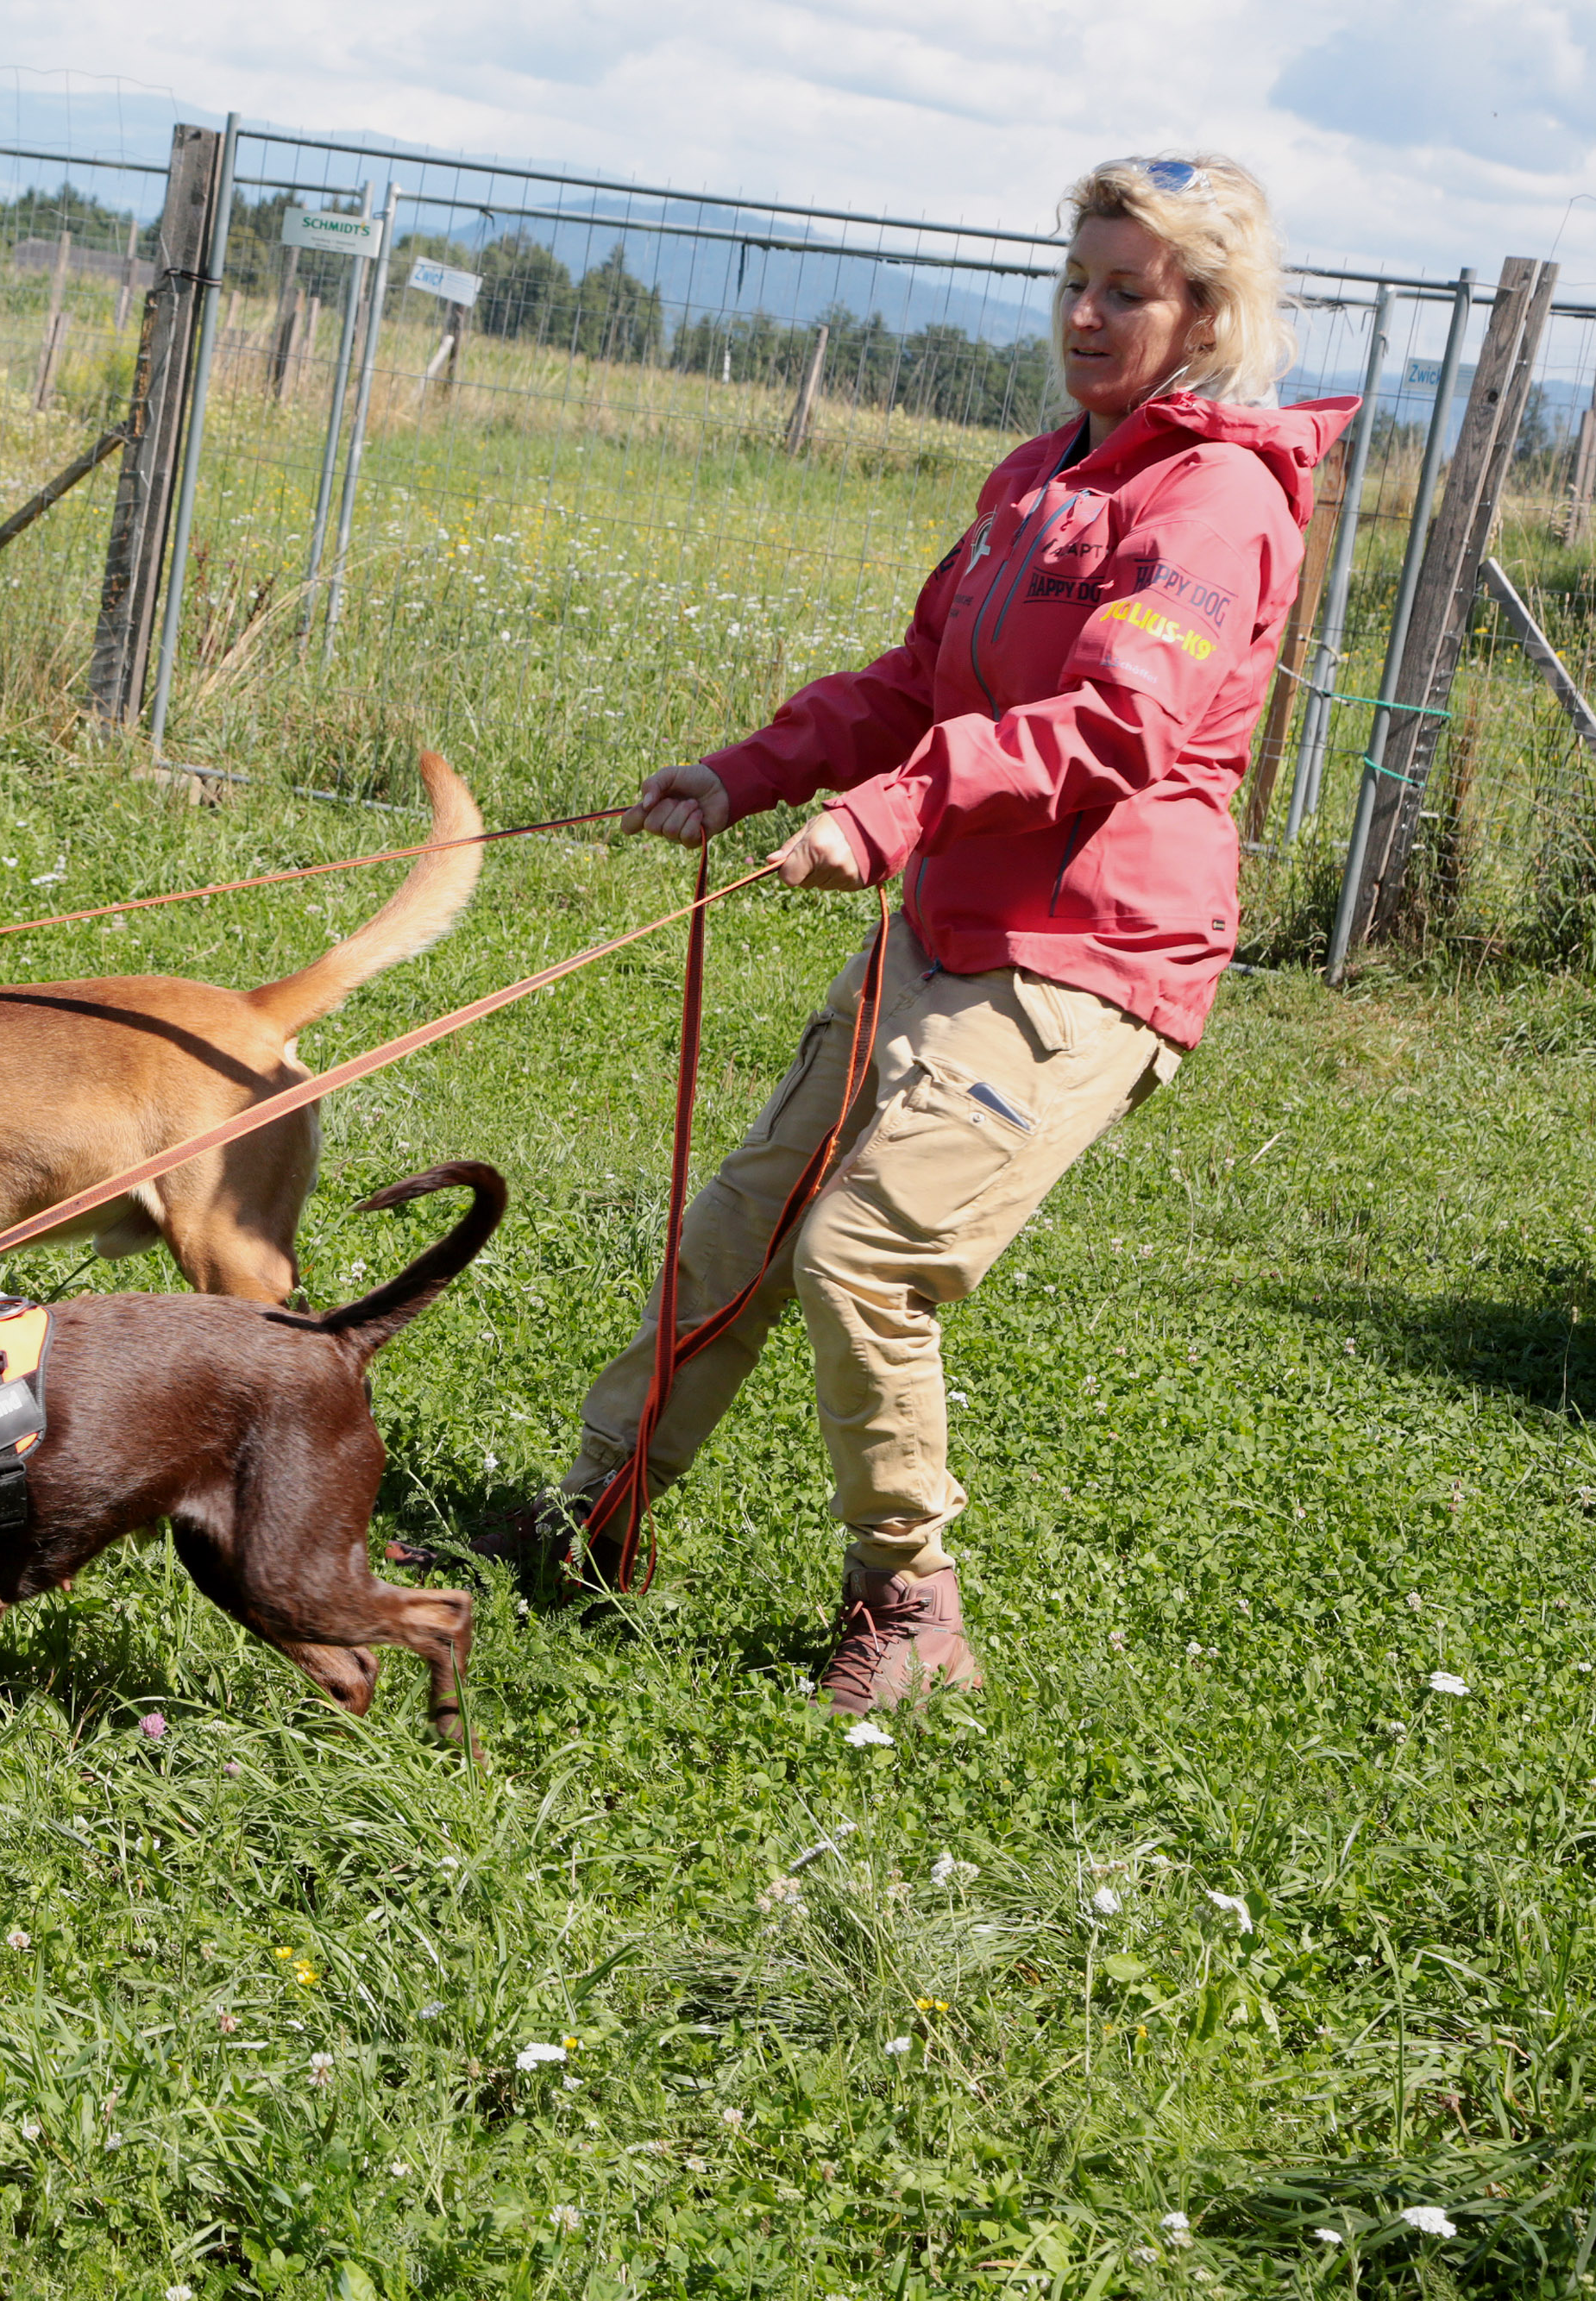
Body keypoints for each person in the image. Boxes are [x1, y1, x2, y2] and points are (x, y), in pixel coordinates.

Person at [512, 154, 1354, 1712]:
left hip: (1086, 957)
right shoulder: (1045, 478)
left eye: (1129, 291)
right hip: (946, 927)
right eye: (1077, 282)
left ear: (1208, 313)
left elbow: (1113, 725)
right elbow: (916, 684)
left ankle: (910, 1607)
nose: (1088, 315)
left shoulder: (1216, 500)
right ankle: (595, 1516)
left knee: (865, 1260)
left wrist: (891, 819)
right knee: (738, 1229)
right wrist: (750, 774)